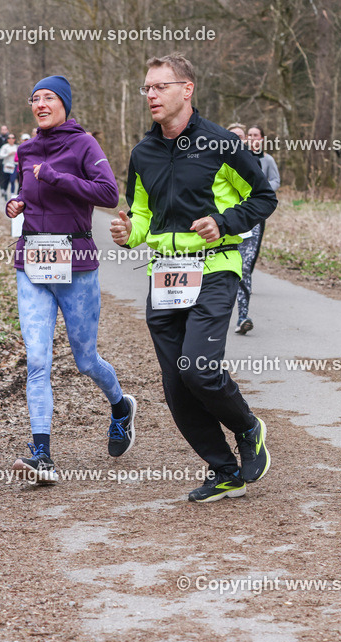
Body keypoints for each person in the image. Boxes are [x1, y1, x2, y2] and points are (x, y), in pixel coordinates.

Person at [110, 53, 276, 503]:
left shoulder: (222, 144)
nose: (151, 95)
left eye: (160, 86)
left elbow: (263, 198)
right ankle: (223, 471)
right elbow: (143, 215)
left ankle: (247, 427)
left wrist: (224, 222)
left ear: (187, 90)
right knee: (175, 386)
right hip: (164, 276)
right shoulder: (142, 152)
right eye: (146, 88)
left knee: (198, 369)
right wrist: (129, 234)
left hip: (215, 268)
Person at [6, 75, 136, 482]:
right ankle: (41, 455)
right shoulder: (25, 151)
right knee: (37, 360)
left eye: (48, 98)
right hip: (32, 262)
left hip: (76, 263)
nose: (40, 104)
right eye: (34, 99)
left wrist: (55, 177)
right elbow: (30, 192)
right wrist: (18, 203)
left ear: (64, 104)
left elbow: (108, 193)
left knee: (85, 360)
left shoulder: (83, 144)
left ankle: (120, 406)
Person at [235, 125, 280, 334]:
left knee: (245, 267)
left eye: (252, 136)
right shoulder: (220, 159)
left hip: (252, 218)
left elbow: (275, 181)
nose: (249, 139)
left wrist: (260, 193)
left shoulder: (263, 160)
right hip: (222, 223)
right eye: (247, 136)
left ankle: (242, 316)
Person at [0, 133, 19, 200]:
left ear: (14, 139)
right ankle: (5, 191)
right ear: (7, 140)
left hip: (14, 165)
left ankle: (12, 194)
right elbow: (0, 156)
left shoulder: (17, 147)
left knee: (12, 180)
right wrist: (8, 154)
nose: (11, 139)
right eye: (9, 138)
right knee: (6, 180)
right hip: (6, 165)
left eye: (12, 138)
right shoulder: (4, 147)